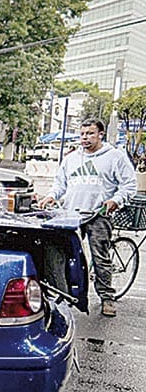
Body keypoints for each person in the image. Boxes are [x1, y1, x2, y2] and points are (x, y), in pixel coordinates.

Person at [38, 118, 137, 317]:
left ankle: (106, 297)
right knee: (61, 253)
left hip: (98, 214)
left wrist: (115, 200)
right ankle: (62, 293)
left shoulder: (115, 157)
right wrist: (51, 196)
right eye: (83, 134)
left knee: (100, 257)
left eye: (90, 133)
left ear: (101, 134)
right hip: (71, 214)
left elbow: (129, 185)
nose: (85, 138)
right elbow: (60, 184)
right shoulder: (71, 158)